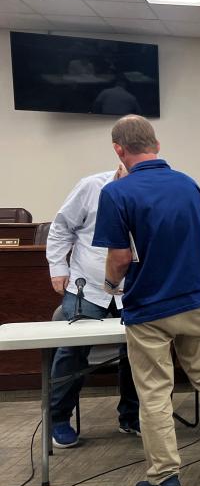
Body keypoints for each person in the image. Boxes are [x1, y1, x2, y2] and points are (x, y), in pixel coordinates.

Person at [92, 115, 200, 486]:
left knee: (155, 393)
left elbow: (120, 257)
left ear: (118, 150)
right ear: (156, 145)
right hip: (196, 300)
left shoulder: (117, 193)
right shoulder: (189, 184)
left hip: (148, 308)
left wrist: (111, 288)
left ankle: (165, 479)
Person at [46, 165, 140, 448]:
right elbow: (62, 227)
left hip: (132, 286)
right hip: (87, 286)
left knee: (138, 353)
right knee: (72, 352)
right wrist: (57, 267)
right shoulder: (90, 186)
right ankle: (59, 418)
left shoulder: (147, 189)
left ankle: (132, 416)